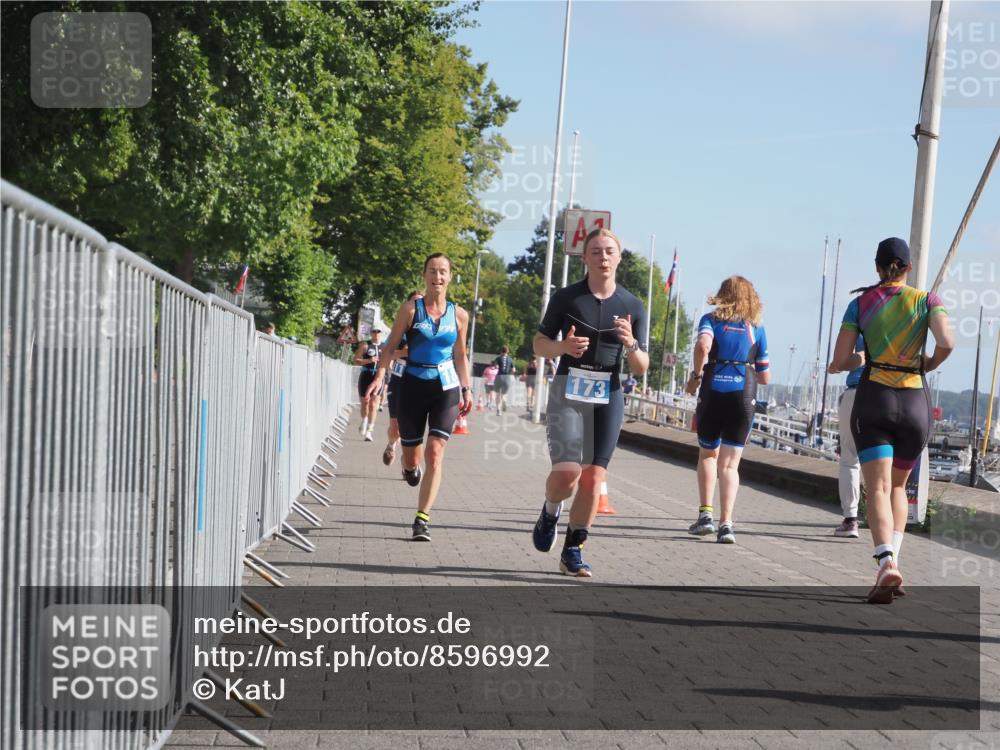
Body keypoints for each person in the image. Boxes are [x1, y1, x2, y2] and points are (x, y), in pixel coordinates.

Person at [829, 237, 953, 604]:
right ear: (908, 268)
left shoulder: (860, 304)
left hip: (875, 400)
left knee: (877, 489)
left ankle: (885, 562)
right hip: (915, 403)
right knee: (898, 488)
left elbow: (841, 359)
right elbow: (947, 341)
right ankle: (894, 559)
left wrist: (851, 361)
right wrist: (928, 363)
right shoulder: (927, 300)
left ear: (877, 267)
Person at [531, 228, 649, 576]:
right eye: (596, 251)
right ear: (584, 258)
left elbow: (641, 367)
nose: (603, 257)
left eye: (610, 251)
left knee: (594, 478)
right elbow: (539, 344)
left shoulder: (632, 305)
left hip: (608, 394)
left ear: (619, 258)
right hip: (569, 389)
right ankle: (551, 510)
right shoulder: (567, 298)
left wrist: (630, 345)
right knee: (567, 474)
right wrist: (562, 349)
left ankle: (573, 549)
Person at [366, 254, 473, 542]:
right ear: (424, 275)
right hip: (413, 385)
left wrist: (466, 387)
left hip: (446, 387)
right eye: (433, 271)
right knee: (413, 456)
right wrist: (380, 375)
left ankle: (422, 519)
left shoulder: (459, 315)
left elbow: (460, 355)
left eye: (443, 272)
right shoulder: (411, 311)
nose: (438, 277)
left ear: (450, 277)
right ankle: (409, 467)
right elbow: (389, 347)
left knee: (435, 452)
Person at [685, 276, 770, 545]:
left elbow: (702, 346)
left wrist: (696, 376)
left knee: (708, 455)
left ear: (722, 294)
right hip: (743, 393)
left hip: (713, 390)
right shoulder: (756, 327)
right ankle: (727, 524)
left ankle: (705, 516)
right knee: (731, 464)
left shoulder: (710, 320)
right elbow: (765, 376)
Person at [827, 336, 865, 538]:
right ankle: (883, 516)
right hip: (891, 393)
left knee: (850, 459)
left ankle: (851, 519)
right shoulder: (903, 322)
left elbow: (849, 359)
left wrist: (836, 366)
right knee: (881, 461)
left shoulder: (861, 322)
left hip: (858, 391)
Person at [383, 291, 424, 466]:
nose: (417, 307)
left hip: (420, 380)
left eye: (420, 303)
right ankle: (392, 444)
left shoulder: (428, 331)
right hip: (399, 378)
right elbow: (388, 353)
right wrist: (406, 352)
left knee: (413, 426)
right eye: (414, 303)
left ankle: (407, 459)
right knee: (395, 425)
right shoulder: (400, 329)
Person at [354, 328, 383, 441]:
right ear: (371, 333)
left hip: (378, 376)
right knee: (365, 402)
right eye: (374, 331)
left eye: (378, 331)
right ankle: (364, 420)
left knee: (373, 404)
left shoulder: (385, 347)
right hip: (366, 375)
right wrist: (369, 360)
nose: (376, 333)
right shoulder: (365, 345)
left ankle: (370, 431)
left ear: (381, 333)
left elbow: (389, 360)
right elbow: (355, 360)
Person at [492, 346, 517, 415]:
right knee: (504, 394)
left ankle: (498, 410)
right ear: (507, 352)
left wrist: (495, 367)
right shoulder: (510, 359)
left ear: (501, 351)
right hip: (507, 377)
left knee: (497, 394)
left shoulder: (498, 358)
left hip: (499, 376)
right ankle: (504, 401)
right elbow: (514, 370)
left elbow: (496, 367)